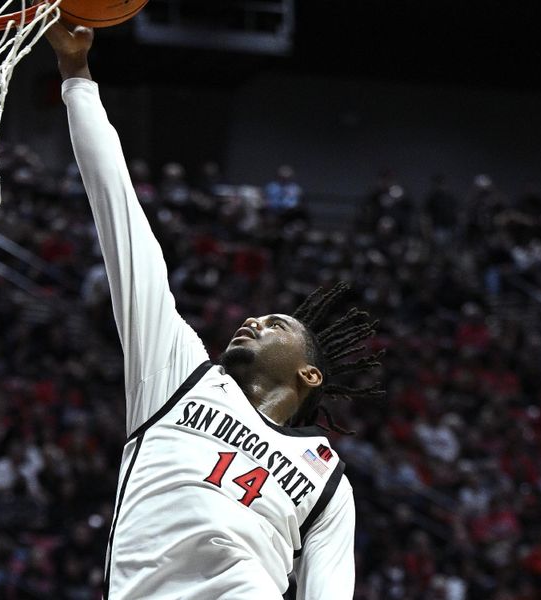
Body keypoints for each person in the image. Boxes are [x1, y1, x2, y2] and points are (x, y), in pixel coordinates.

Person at [45, 23, 383, 600]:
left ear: (308, 373)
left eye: (278, 325)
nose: (254, 319)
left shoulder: (327, 479)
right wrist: (78, 77)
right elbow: (122, 215)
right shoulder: (177, 373)